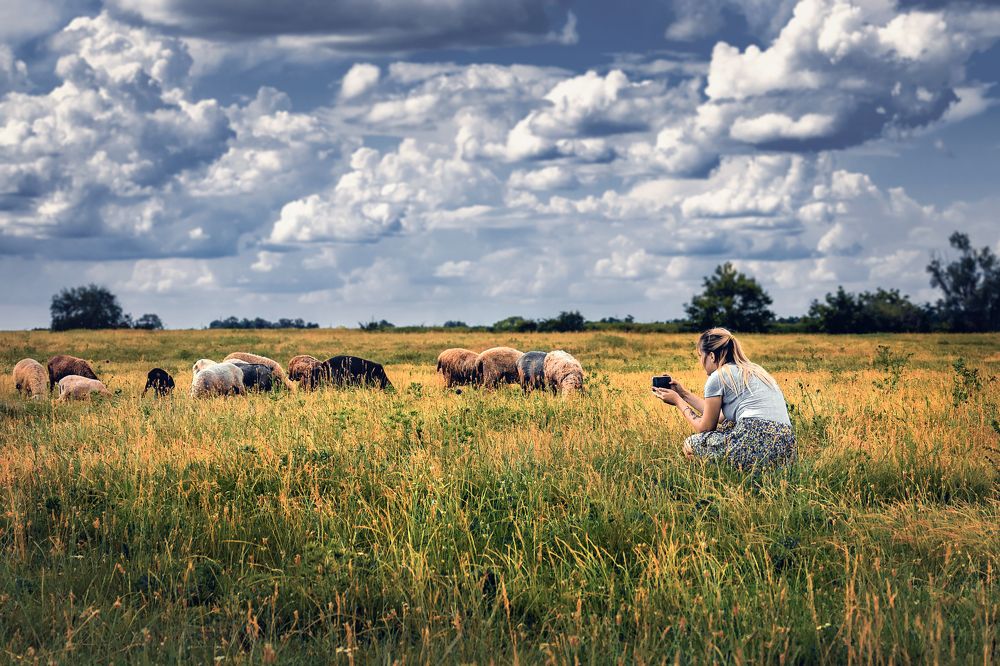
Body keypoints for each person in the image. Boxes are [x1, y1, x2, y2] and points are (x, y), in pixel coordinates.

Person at [652, 327, 796, 470]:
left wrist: (678, 401)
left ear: (712, 356)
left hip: (755, 437)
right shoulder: (754, 370)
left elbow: (705, 428)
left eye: (700, 355)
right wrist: (684, 394)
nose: (700, 361)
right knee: (728, 424)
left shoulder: (718, 376)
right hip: (786, 446)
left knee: (692, 444)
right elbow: (720, 417)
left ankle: (724, 474)